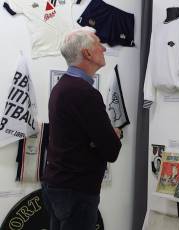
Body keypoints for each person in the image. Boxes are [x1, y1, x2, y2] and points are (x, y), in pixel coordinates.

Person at [41, 26, 122, 230]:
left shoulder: (62, 87)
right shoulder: (85, 94)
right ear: (87, 53)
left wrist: (98, 139)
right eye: (98, 44)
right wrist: (111, 134)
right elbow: (111, 149)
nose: (103, 49)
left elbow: (76, 137)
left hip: (57, 185)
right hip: (76, 191)